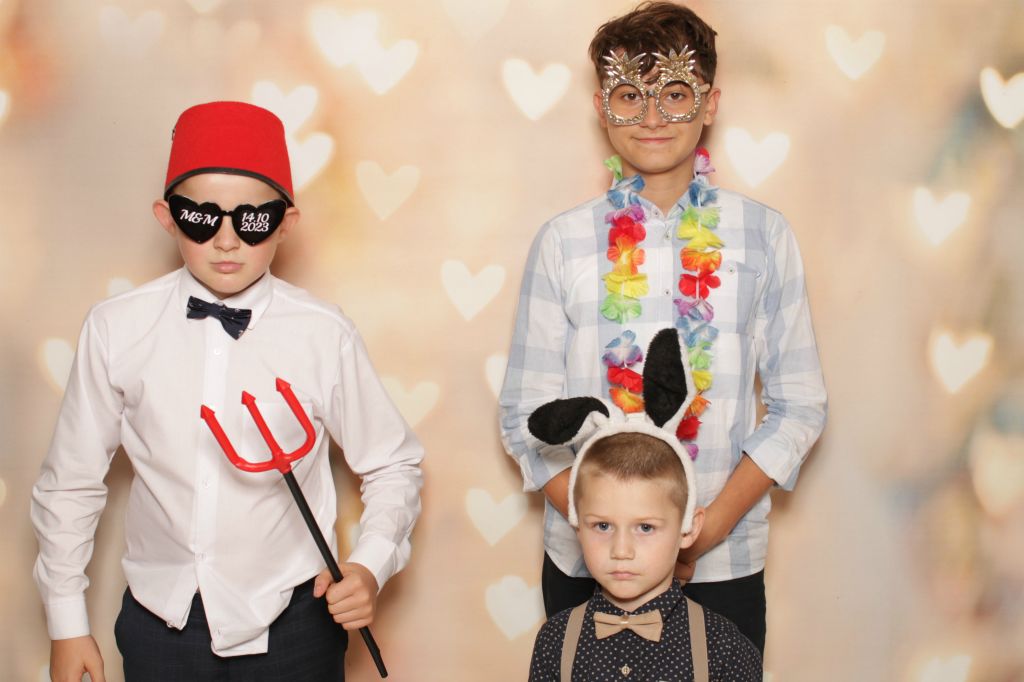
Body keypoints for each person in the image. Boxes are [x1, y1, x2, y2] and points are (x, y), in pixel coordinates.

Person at [31, 101, 424, 682]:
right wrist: (66, 621)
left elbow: (393, 464)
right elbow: (71, 481)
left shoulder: (324, 334)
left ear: (285, 223)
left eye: (252, 220)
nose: (225, 241)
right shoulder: (116, 329)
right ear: (168, 217)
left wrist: (370, 564)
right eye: (201, 218)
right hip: (160, 622)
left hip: (296, 620)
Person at [499, 1, 827, 654]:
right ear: (602, 109)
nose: (652, 118)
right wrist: (604, 529)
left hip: (721, 565)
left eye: (675, 94)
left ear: (710, 104)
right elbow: (523, 414)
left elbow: (800, 406)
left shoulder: (763, 236)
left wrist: (704, 530)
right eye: (630, 96)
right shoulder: (563, 242)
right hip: (587, 567)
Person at [526, 329, 761, 681]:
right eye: (602, 526)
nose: (621, 550)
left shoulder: (726, 649)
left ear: (689, 527)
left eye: (645, 527)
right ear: (576, 523)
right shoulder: (554, 642)